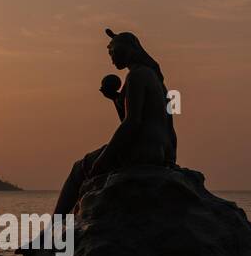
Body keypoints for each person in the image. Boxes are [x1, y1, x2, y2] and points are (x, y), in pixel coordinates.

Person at [49, 29, 178, 218]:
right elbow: (165, 124)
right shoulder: (155, 78)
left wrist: (105, 157)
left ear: (128, 50)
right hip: (158, 151)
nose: (111, 59)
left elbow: (132, 122)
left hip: (142, 151)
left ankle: (53, 228)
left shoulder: (136, 76)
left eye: (113, 52)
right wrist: (170, 157)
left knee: (80, 168)